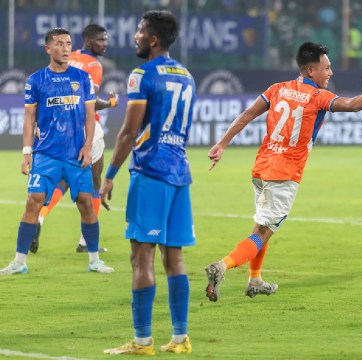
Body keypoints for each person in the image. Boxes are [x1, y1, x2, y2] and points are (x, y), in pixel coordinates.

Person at [204, 41, 362, 302]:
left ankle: (254, 280)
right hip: (285, 174)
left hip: (261, 168)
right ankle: (221, 267)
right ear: (311, 71)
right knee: (263, 233)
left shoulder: (277, 89)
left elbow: (246, 115)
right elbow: (354, 104)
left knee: (261, 224)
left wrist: (222, 143)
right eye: (327, 68)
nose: (331, 73)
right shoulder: (318, 97)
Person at [102, 10, 195, 355]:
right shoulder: (187, 76)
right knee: (175, 258)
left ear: (153, 39)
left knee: (141, 257)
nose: (136, 36)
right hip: (180, 172)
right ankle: (181, 337)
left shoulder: (142, 75)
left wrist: (109, 176)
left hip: (151, 171)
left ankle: (142, 342)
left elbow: (128, 132)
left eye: (140, 31)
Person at [0, 28, 113, 276]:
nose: (65, 48)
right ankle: (19, 261)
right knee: (33, 202)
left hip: (76, 155)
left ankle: (94, 260)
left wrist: (87, 145)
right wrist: (27, 152)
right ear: (48, 48)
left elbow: (90, 116)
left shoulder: (82, 78)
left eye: (68, 44)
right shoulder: (35, 80)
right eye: (59, 43)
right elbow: (29, 118)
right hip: (46, 155)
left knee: (85, 203)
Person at [32, 23, 119, 254]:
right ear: (89, 41)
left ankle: (40, 217)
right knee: (95, 179)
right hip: (84, 128)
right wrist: (110, 103)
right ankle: (86, 242)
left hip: (60, 126)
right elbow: (90, 101)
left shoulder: (66, 57)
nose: (105, 44)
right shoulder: (94, 65)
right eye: (101, 39)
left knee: (66, 177)